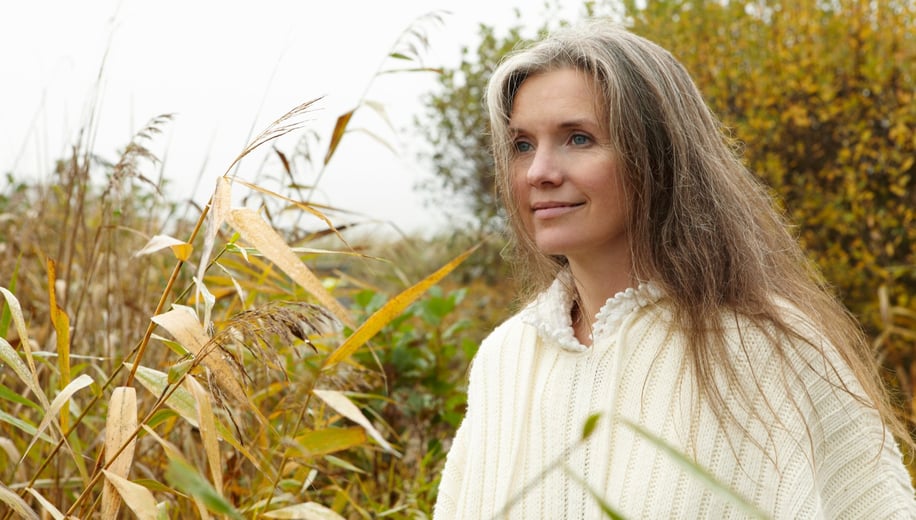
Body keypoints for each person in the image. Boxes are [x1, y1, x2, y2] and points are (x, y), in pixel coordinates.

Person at [433, 19, 916, 519]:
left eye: (578, 138)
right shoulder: (506, 359)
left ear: (656, 156)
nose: (539, 172)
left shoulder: (770, 348)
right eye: (522, 145)